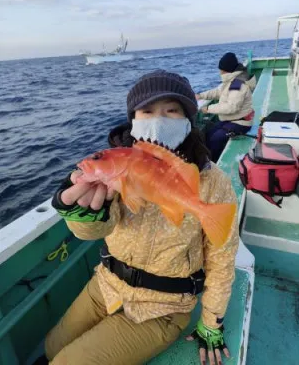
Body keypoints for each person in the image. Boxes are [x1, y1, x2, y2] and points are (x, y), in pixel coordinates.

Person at [42, 70, 239, 365]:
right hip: (106, 285)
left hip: (163, 308)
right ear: (134, 118)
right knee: (51, 346)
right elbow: (93, 231)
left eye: (171, 111)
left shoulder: (213, 182)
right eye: (147, 110)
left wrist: (212, 321)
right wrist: (84, 213)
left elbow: (222, 260)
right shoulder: (118, 168)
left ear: (188, 120)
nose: (158, 120)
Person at [196, 52, 256, 162]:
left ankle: (213, 164)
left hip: (241, 123)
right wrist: (201, 95)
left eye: (221, 69)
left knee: (214, 139)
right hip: (233, 119)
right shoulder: (232, 80)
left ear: (226, 70)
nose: (219, 71)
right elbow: (219, 92)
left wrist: (208, 109)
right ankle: (209, 159)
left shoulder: (237, 84)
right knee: (209, 133)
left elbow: (231, 107)